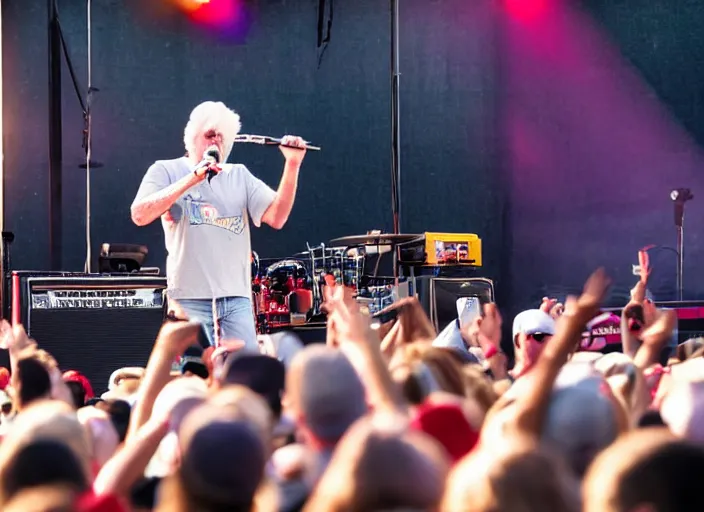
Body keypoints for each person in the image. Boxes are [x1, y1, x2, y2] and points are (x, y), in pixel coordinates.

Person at [131, 101, 306, 349]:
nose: (215, 143)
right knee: (194, 373)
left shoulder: (239, 175)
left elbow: (277, 218)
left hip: (236, 299)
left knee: (246, 374)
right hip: (188, 298)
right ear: (192, 138)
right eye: (210, 135)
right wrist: (193, 178)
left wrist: (292, 164)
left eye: (222, 138)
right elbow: (139, 214)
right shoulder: (166, 170)